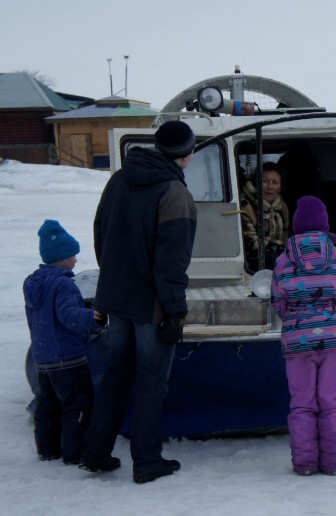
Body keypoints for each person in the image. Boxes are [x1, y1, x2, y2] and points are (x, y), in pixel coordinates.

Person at [80, 120, 197, 484]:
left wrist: (112, 282)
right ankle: (146, 461)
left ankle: (95, 452)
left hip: (117, 298)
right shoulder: (173, 193)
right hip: (151, 305)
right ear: (187, 155)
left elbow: (100, 232)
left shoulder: (119, 179)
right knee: (150, 381)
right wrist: (175, 312)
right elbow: (171, 262)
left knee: (115, 375)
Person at [271, 196, 336, 476]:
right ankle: (332, 464)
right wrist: (334, 319)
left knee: (302, 403)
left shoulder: (284, 260)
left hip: (297, 343)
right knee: (331, 402)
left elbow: (278, 301)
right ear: (324, 225)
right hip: (332, 341)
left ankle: (305, 464)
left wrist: (295, 320)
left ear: (295, 226)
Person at [23, 220, 106, 464]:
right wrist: (93, 316)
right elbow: (68, 315)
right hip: (69, 359)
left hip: (43, 358)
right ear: (62, 258)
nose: (76, 261)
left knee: (47, 406)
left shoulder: (32, 283)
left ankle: (47, 450)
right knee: (77, 404)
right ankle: (75, 452)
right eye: (72, 256)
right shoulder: (63, 284)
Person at [240, 161, 290, 272]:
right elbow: (252, 244)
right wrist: (281, 246)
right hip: (254, 260)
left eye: (275, 182)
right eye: (264, 181)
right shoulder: (245, 205)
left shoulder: (283, 207)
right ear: (256, 183)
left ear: (280, 187)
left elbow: (286, 238)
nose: (270, 187)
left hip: (278, 255)